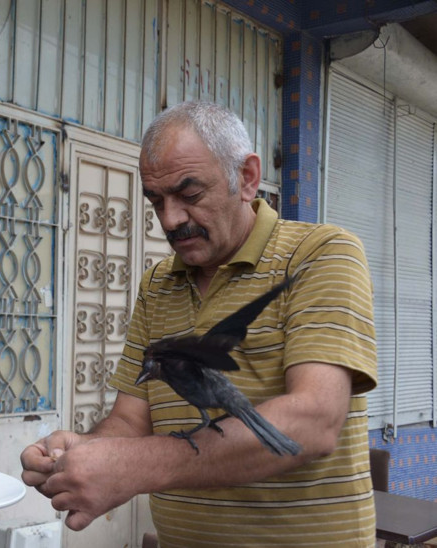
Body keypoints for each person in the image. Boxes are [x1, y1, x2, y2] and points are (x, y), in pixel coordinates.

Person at [21, 101, 378, 546]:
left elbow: (313, 421)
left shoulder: (321, 256)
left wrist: (139, 466)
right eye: (156, 201)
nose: (170, 219)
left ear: (247, 178)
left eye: (189, 195)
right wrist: (84, 450)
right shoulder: (158, 285)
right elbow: (131, 422)